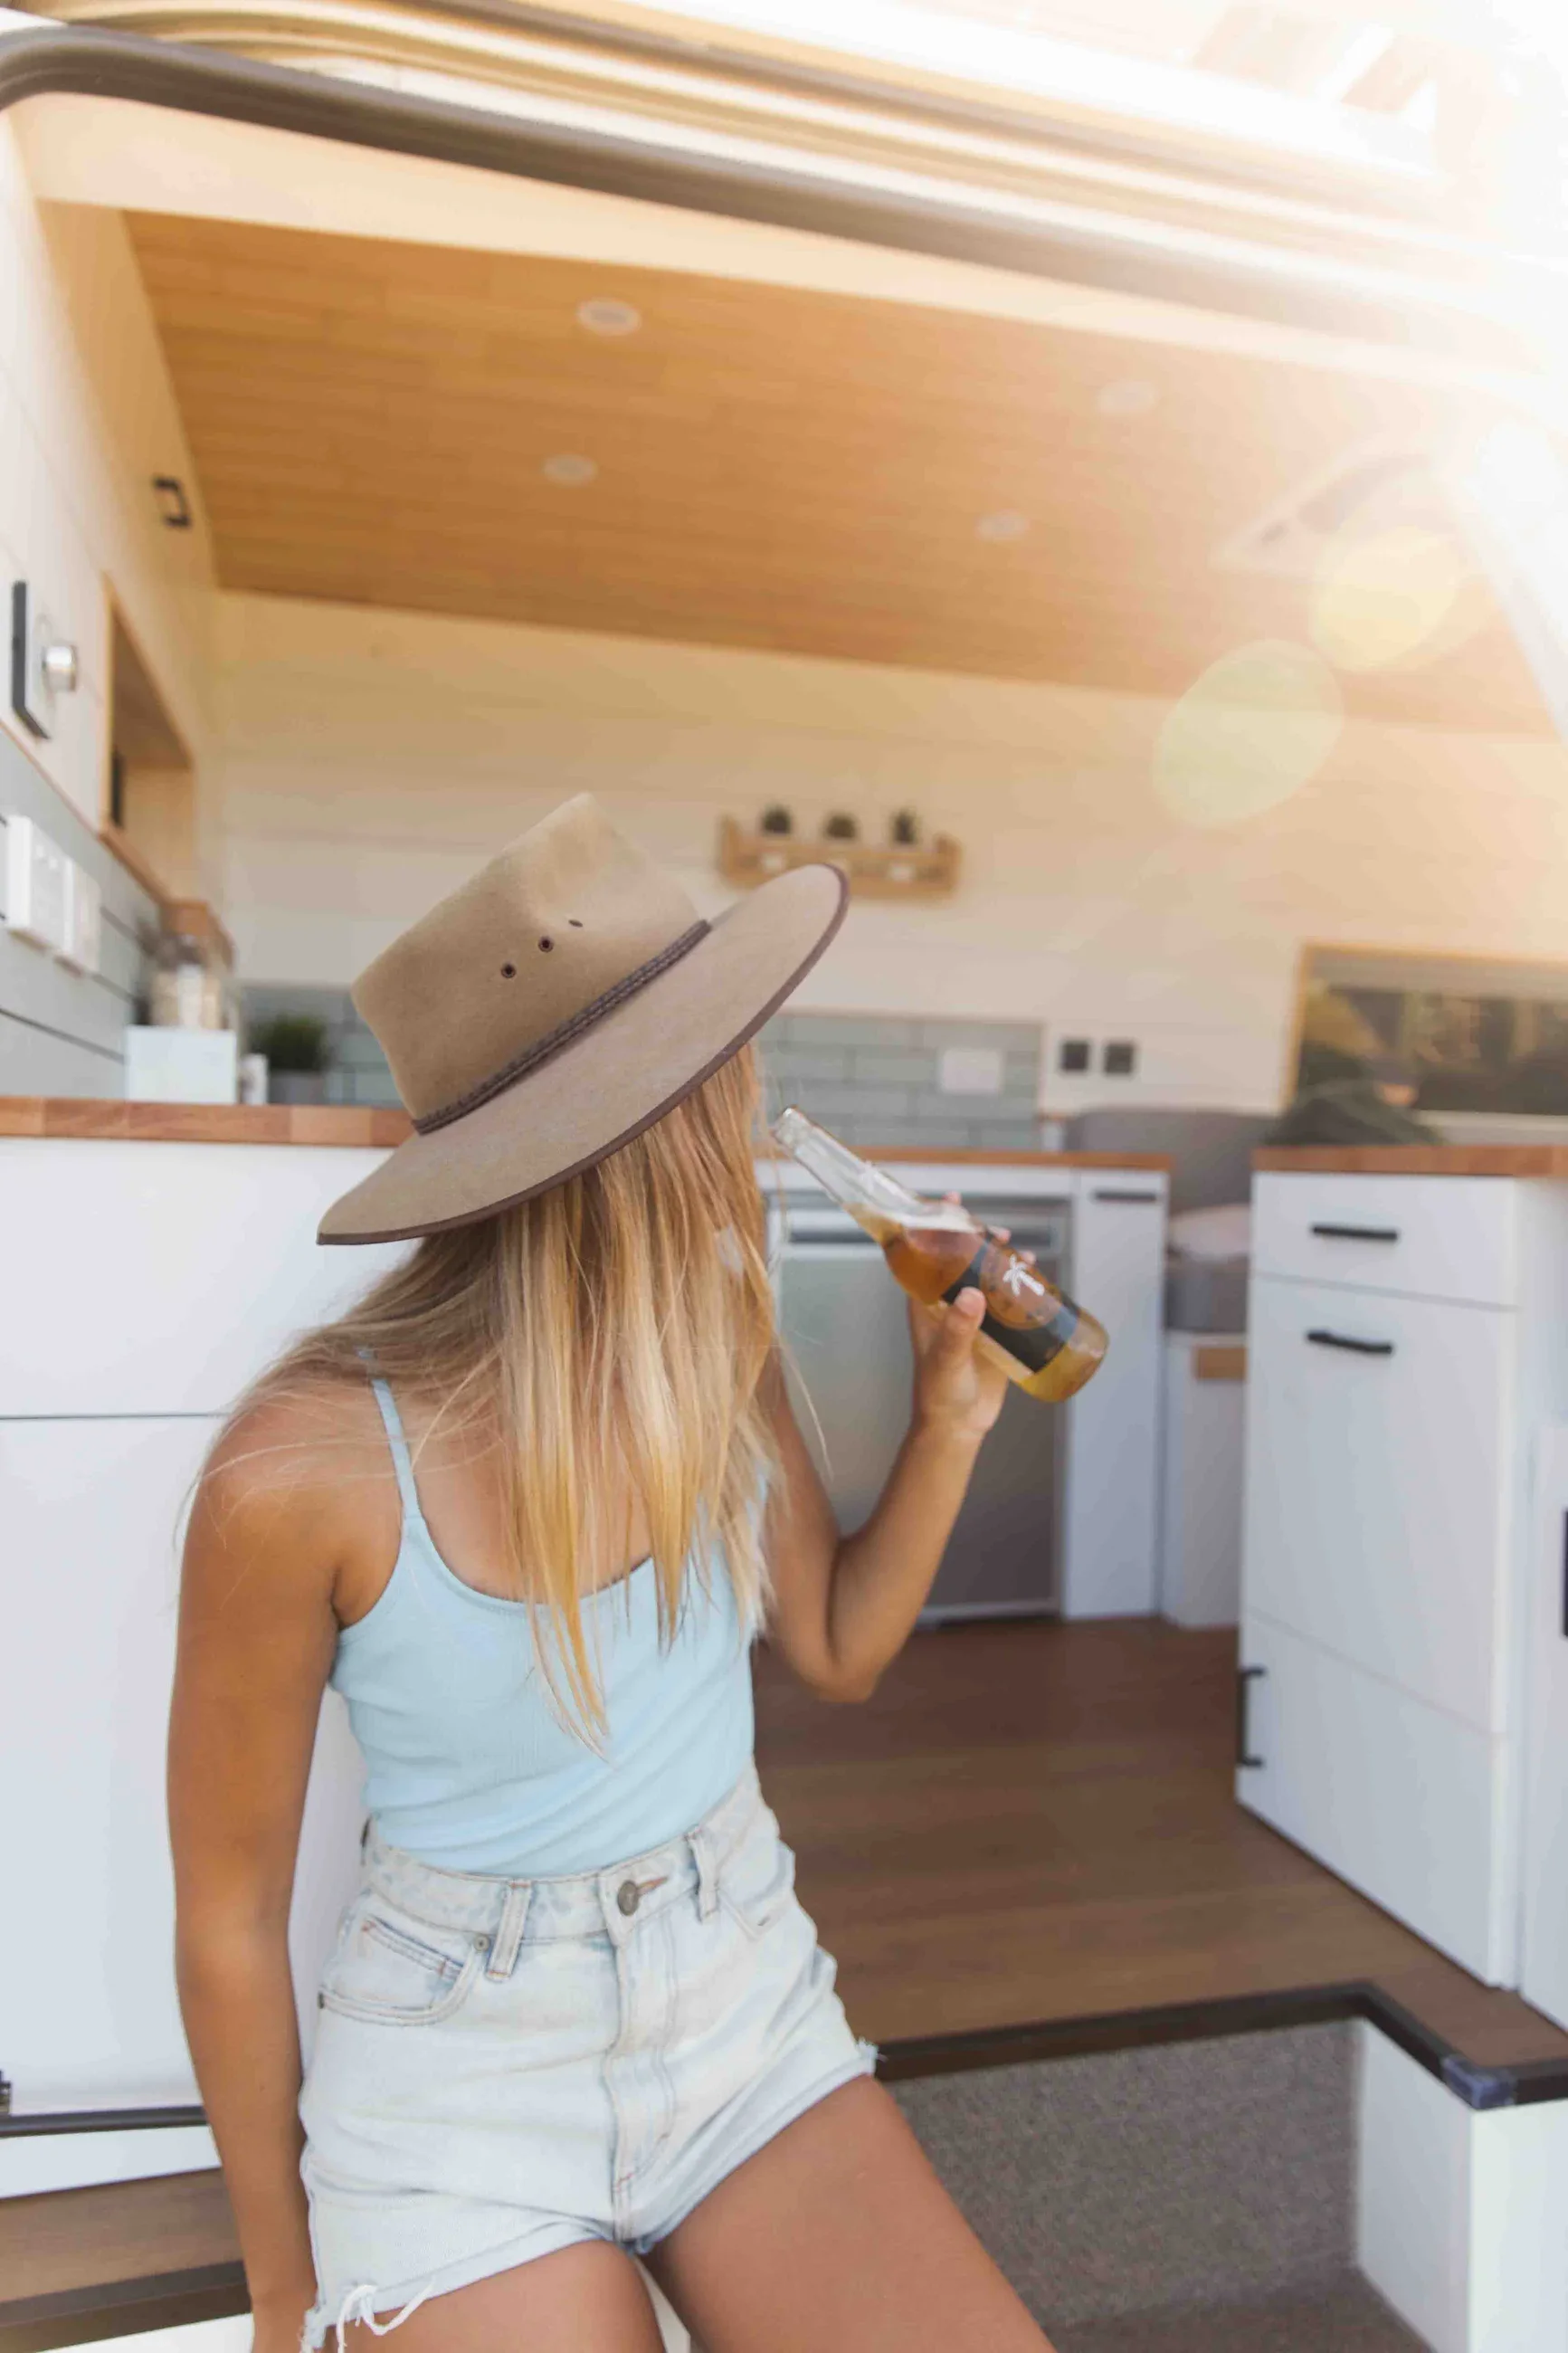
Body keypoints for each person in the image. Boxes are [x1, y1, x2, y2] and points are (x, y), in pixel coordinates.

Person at [169, 795, 1055, 2353]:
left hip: (741, 1995)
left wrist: (950, 1422)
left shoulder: (717, 1345)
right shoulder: (297, 1469)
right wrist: (280, 2295)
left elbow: (839, 1648)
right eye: (724, 1063)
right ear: (650, 1124)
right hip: (457, 2080)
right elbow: (230, 1922)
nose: (755, 1102)